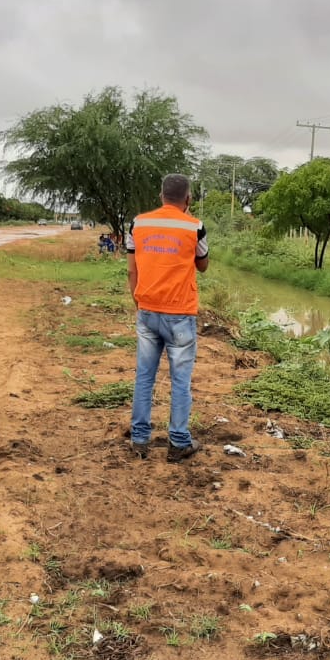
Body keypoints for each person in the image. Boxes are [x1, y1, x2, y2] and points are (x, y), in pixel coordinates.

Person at [127, 173, 208, 463]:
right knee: (180, 381)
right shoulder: (195, 227)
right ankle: (179, 442)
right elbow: (203, 265)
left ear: (161, 196)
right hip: (180, 316)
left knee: (144, 377)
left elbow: (132, 269)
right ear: (188, 199)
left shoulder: (138, 224)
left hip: (147, 310)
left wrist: (138, 300)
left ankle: (139, 440)